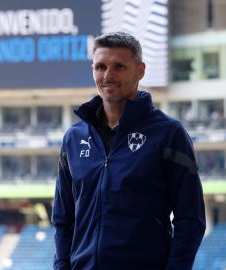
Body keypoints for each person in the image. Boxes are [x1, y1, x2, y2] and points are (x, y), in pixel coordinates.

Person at [52, 32, 206, 270]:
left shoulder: (168, 134)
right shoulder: (74, 138)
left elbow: (191, 221)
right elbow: (63, 220)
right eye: (100, 66)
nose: (108, 75)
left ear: (140, 71)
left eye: (119, 67)